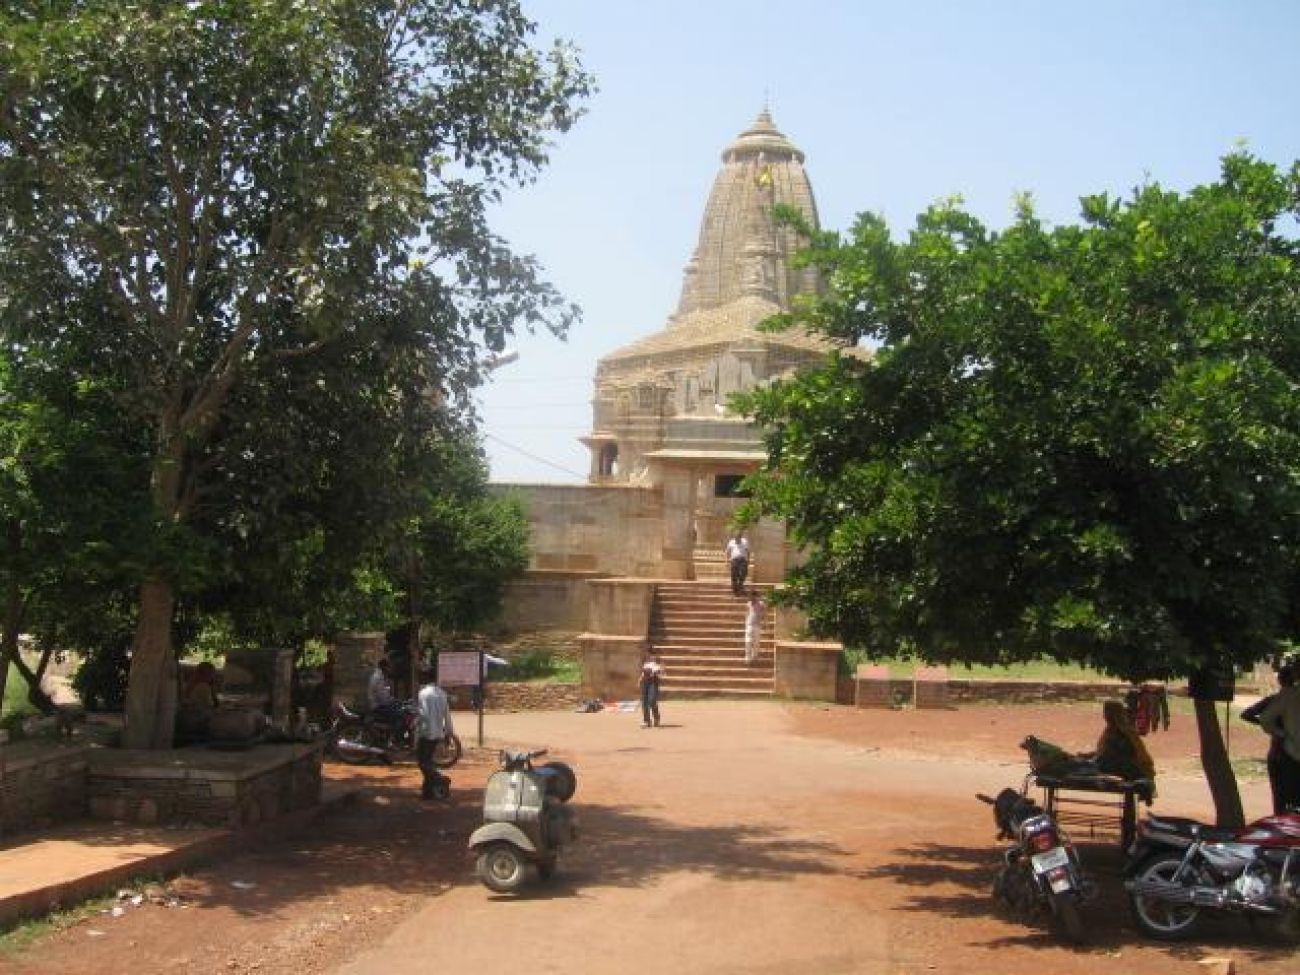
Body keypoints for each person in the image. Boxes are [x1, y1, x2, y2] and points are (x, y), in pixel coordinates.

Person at [1243, 664, 1297, 815]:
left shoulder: (1274, 699)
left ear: (1280, 680)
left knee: (1280, 796)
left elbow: (1246, 714)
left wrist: (1273, 728)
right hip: (1287, 752)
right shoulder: (1286, 699)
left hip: (1278, 752)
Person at [1258, 663, 1300, 814]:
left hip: (1291, 754)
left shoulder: (1288, 695)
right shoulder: (1288, 695)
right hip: (1288, 754)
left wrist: (1280, 733)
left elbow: (1264, 718)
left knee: (1285, 802)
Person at [1093, 699, 1157, 782]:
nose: (1104, 716)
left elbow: (1143, 755)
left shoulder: (1126, 732)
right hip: (1116, 765)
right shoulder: (1115, 730)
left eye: (1105, 713)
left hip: (1120, 767)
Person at [415, 668, 455, 800]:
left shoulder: (423, 694)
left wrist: (415, 730)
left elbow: (422, 715)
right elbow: (447, 715)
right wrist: (449, 734)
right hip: (437, 733)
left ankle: (439, 777)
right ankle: (428, 791)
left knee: (423, 762)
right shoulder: (442, 694)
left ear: (426, 679)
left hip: (426, 732)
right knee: (427, 760)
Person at [367, 657, 402, 730]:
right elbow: (382, 696)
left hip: (380, 703)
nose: (390, 669)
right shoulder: (378, 678)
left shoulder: (380, 676)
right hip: (378, 706)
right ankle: (393, 735)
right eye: (388, 667)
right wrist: (393, 700)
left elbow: (384, 692)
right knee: (398, 714)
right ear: (384, 667)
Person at [639, 649, 664, 728]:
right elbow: (643, 672)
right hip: (645, 682)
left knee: (652, 700)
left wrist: (658, 672)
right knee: (644, 702)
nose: (648, 655)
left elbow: (662, 671)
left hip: (653, 682)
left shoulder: (657, 661)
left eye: (649, 653)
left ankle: (656, 718)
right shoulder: (645, 661)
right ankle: (647, 721)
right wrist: (640, 679)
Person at [725, 530, 751, 595]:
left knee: (744, 573)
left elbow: (748, 551)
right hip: (734, 560)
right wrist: (726, 561)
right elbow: (727, 552)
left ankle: (740, 584)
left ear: (740, 537)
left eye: (738, 537)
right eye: (736, 537)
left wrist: (748, 559)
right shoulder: (731, 542)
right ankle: (735, 588)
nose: (737, 539)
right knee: (734, 574)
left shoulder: (745, 541)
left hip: (743, 560)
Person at [744, 592, 765, 665]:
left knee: (756, 642)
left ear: (757, 596)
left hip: (757, 625)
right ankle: (747, 656)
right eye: (751, 596)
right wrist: (746, 623)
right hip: (749, 625)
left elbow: (763, 613)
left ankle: (755, 656)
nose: (752, 598)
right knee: (748, 641)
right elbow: (747, 613)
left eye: (754, 596)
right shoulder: (749, 604)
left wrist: (764, 621)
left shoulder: (761, 604)